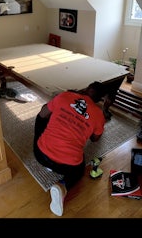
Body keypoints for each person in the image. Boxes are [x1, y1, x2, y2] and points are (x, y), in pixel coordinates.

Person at [33, 81, 107, 217]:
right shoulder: (98, 114)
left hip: (40, 154)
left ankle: (45, 145)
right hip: (66, 166)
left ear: (86, 89)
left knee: (41, 116)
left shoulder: (65, 96)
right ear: (100, 99)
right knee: (79, 170)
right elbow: (95, 139)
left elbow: (43, 114)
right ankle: (62, 186)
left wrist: (57, 108)